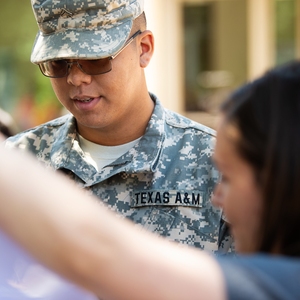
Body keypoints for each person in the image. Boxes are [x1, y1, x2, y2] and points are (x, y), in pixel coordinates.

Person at [1, 61, 300, 300]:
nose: (217, 195)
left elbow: (99, 252)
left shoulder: (284, 283)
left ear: (281, 181)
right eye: (58, 63)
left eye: (230, 177)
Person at [4, 0, 230, 252]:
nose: (76, 77)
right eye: (58, 62)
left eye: (95, 58)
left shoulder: (217, 165)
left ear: (143, 49)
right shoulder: (15, 163)